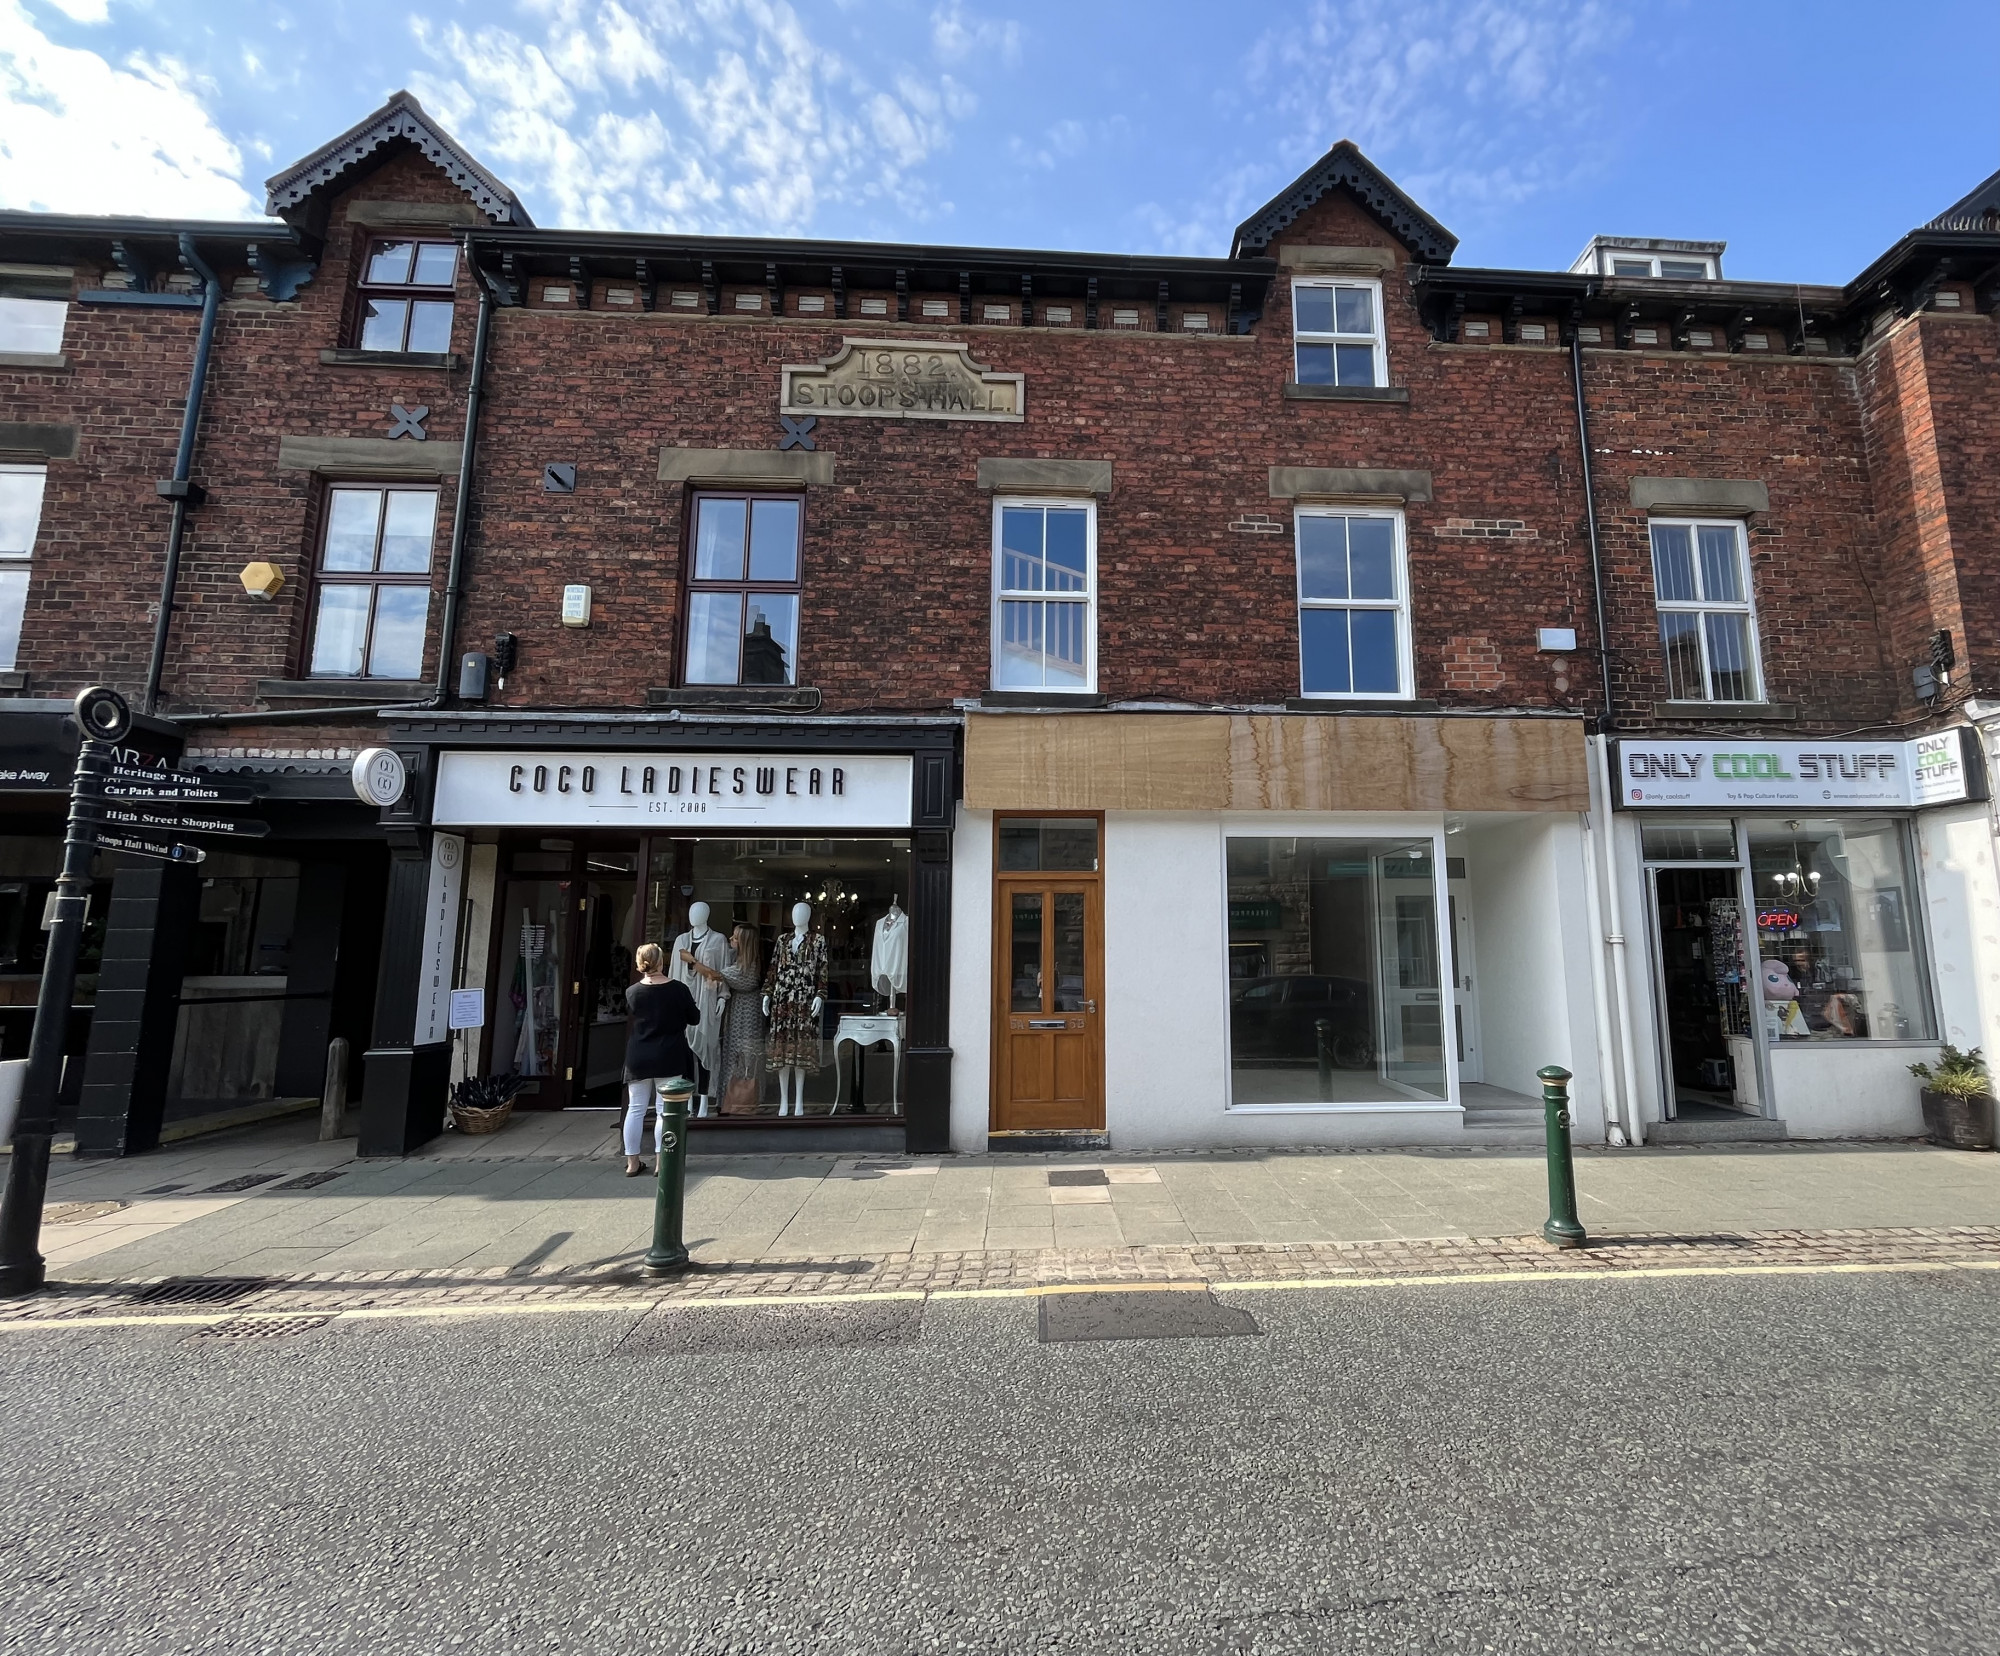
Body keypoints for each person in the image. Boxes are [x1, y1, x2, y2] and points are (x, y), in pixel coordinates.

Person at [622, 942, 700, 1176]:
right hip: (669, 1052)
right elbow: (694, 1018)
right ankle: (661, 1162)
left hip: (638, 1054)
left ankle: (632, 1163)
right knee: (663, 1110)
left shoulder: (632, 992)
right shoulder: (678, 989)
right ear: (661, 962)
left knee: (635, 1109)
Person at [684, 923, 767, 1113]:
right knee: (737, 1054)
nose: (730, 939)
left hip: (745, 1014)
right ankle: (733, 1100)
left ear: (743, 943)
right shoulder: (740, 960)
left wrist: (692, 961)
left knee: (742, 1055)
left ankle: (740, 1101)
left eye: (735, 938)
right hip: (738, 1011)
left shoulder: (747, 967)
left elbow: (715, 974)